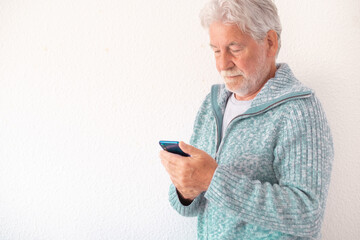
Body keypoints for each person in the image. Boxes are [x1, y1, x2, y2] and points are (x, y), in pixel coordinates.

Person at [160, 0, 334, 239]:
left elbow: (307, 215)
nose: (222, 64)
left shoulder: (299, 110)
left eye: (235, 48)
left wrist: (212, 179)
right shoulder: (212, 104)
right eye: (216, 50)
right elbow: (189, 206)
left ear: (270, 42)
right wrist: (185, 189)